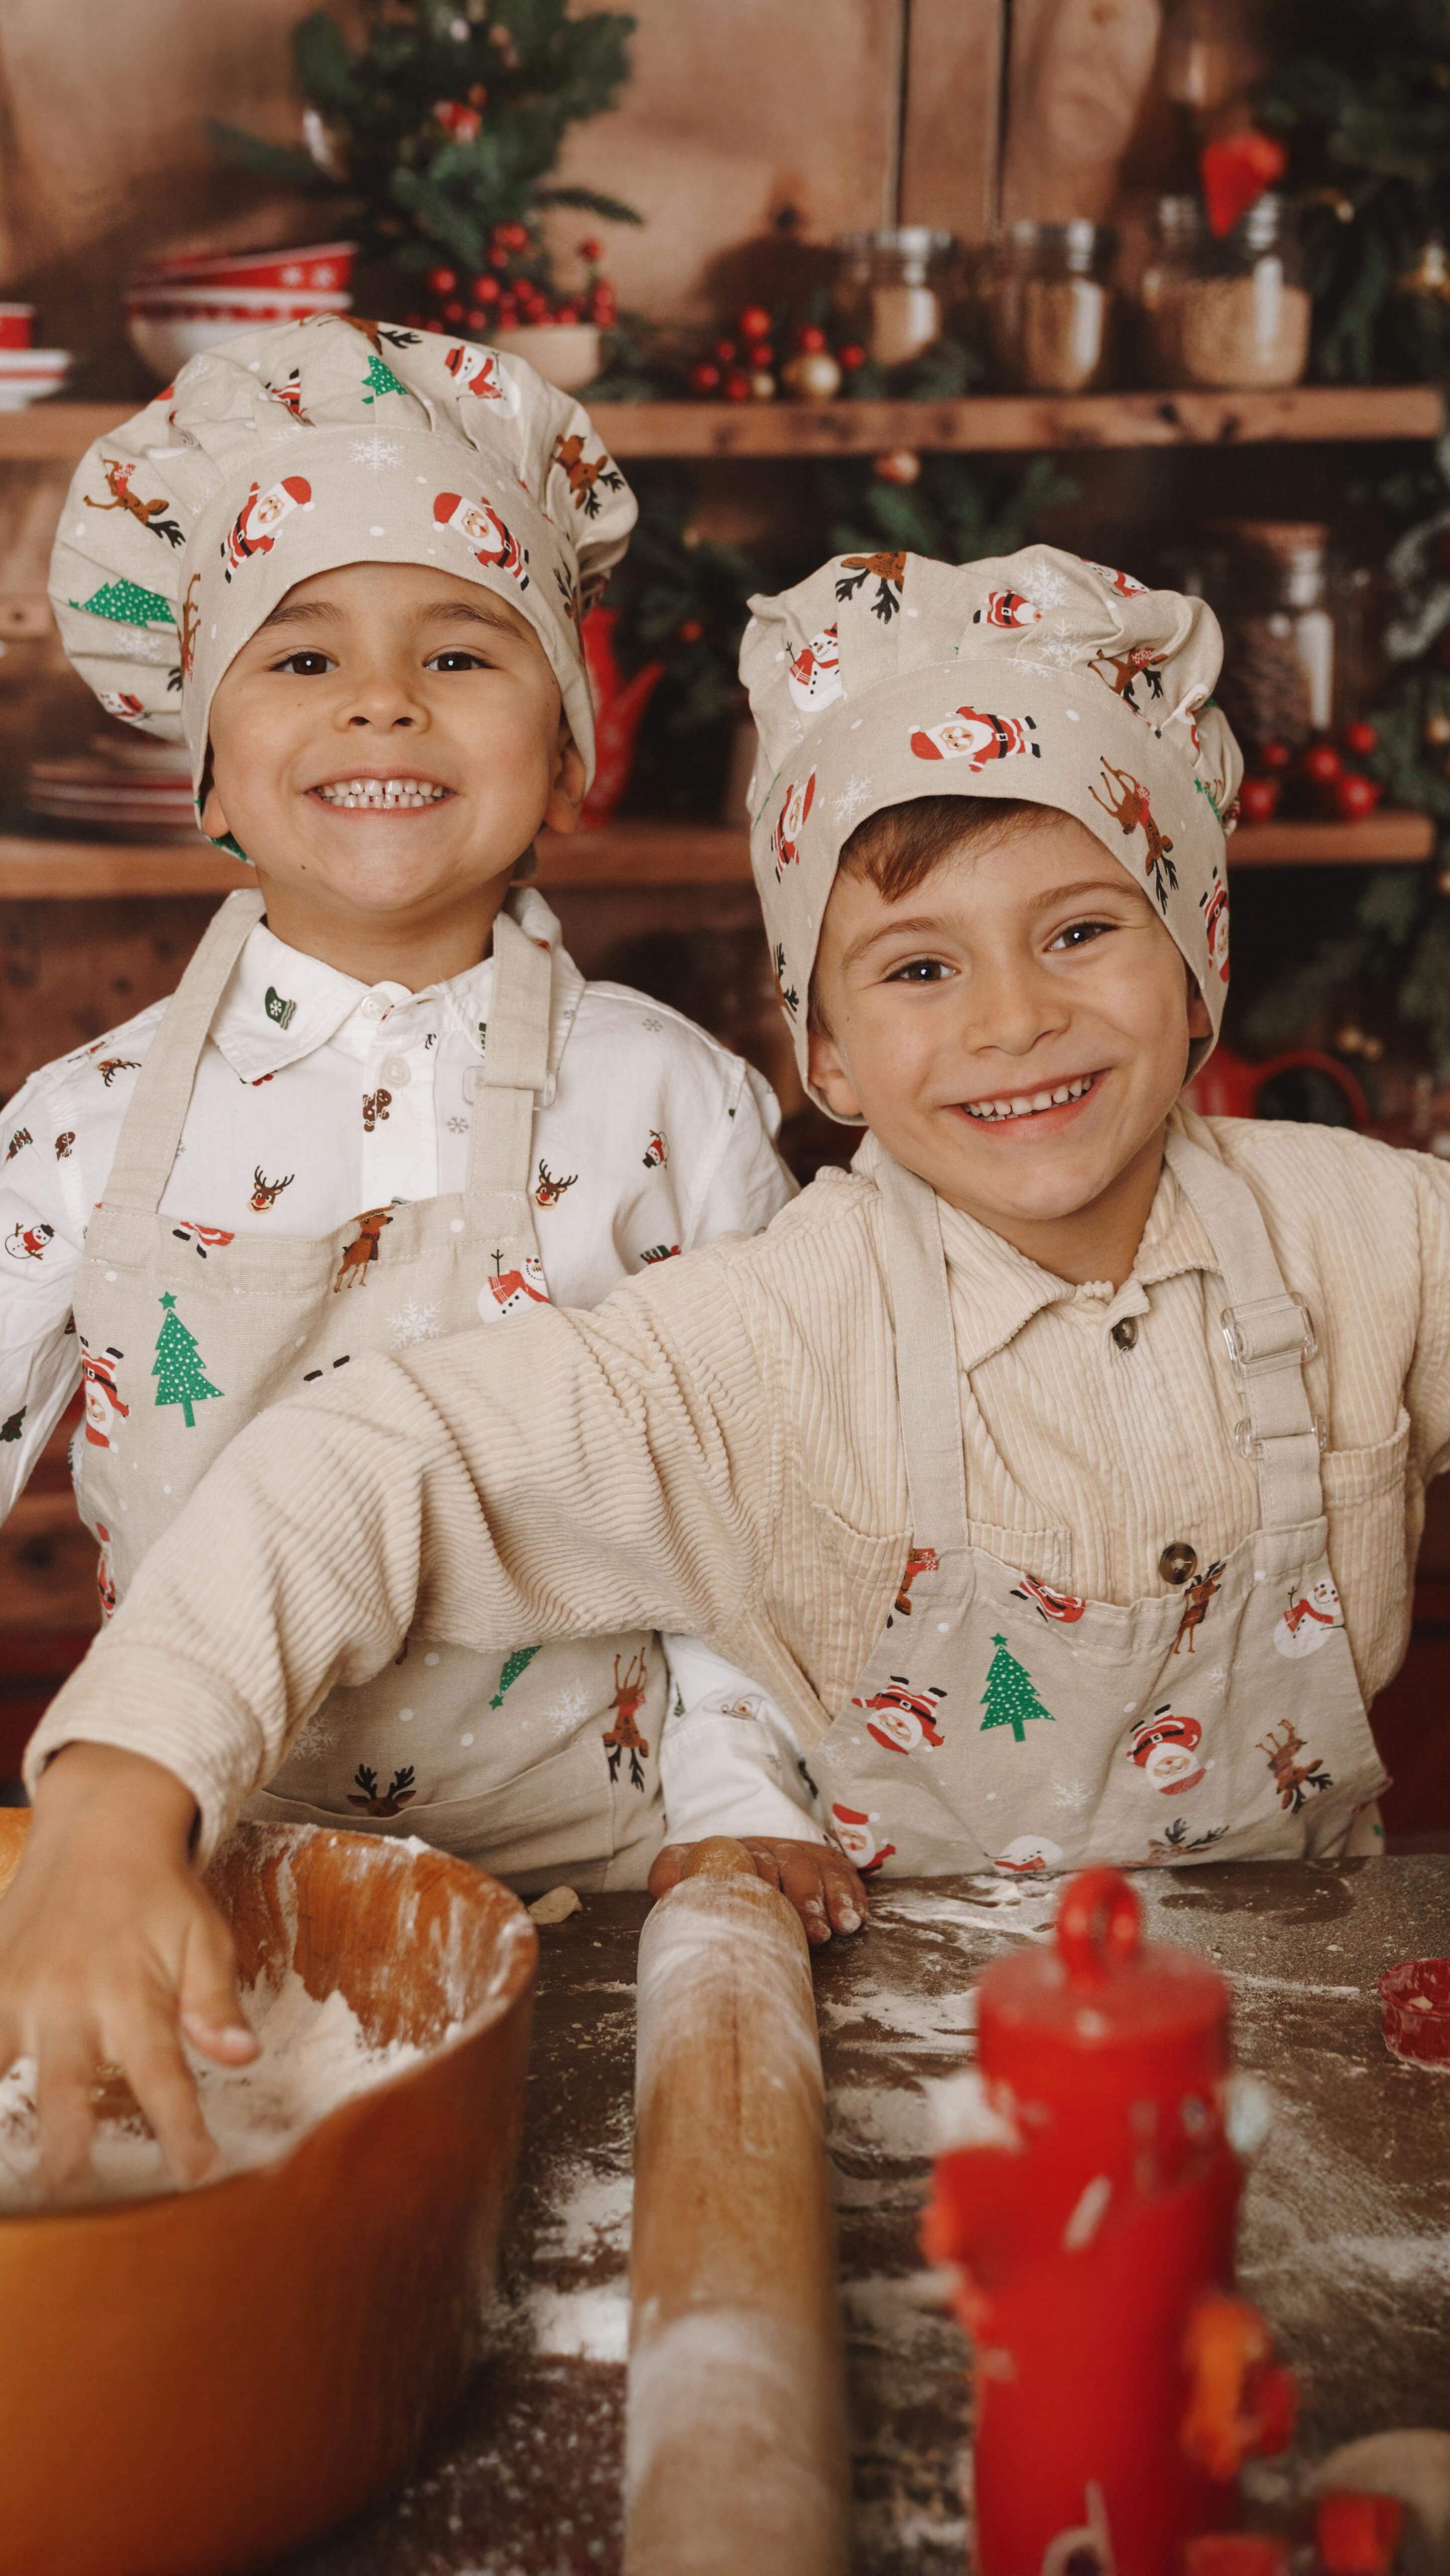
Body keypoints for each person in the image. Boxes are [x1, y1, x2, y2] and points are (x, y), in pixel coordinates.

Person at [10, 539, 1450, 2185]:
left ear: (1198, 962)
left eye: (1079, 933)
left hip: (1320, 2035)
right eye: (919, 967)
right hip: (918, 2077)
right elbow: (362, 1467)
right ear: (820, 1047)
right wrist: (117, 1797)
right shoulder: (765, 1338)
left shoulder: (1375, 1238)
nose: (1011, 1019)